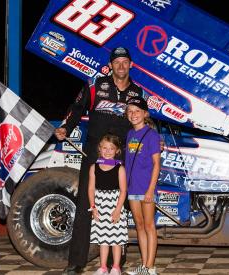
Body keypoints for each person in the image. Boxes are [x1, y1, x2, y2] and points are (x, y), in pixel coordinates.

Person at [54, 47, 144, 274]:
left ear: (131, 65)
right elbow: (76, 109)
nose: (121, 66)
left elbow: (142, 122)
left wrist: (153, 139)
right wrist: (66, 127)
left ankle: (117, 263)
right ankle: (76, 262)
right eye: (117, 62)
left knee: (120, 207)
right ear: (110, 65)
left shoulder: (137, 92)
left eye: (125, 62)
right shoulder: (95, 85)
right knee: (86, 203)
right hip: (95, 154)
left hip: (122, 156)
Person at [124, 97, 161, 275]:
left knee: (149, 226)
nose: (133, 114)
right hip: (133, 188)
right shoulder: (130, 134)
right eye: (130, 111)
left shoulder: (152, 135)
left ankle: (150, 267)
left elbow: (156, 165)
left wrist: (150, 190)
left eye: (137, 111)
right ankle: (144, 265)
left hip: (147, 189)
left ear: (145, 114)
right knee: (138, 226)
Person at [89, 134, 128, 275]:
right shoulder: (94, 167)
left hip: (115, 204)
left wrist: (118, 210)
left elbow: (123, 190)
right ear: (99, 148)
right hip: (99, 205)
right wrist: (93, 207)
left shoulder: (120, 168)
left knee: (116, 239)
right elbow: (91, 189)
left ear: (117, 150)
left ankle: (116, 267)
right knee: (103, 239)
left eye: (111, 148)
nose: (107, 151)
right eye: (104, 148)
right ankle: (103, 267)